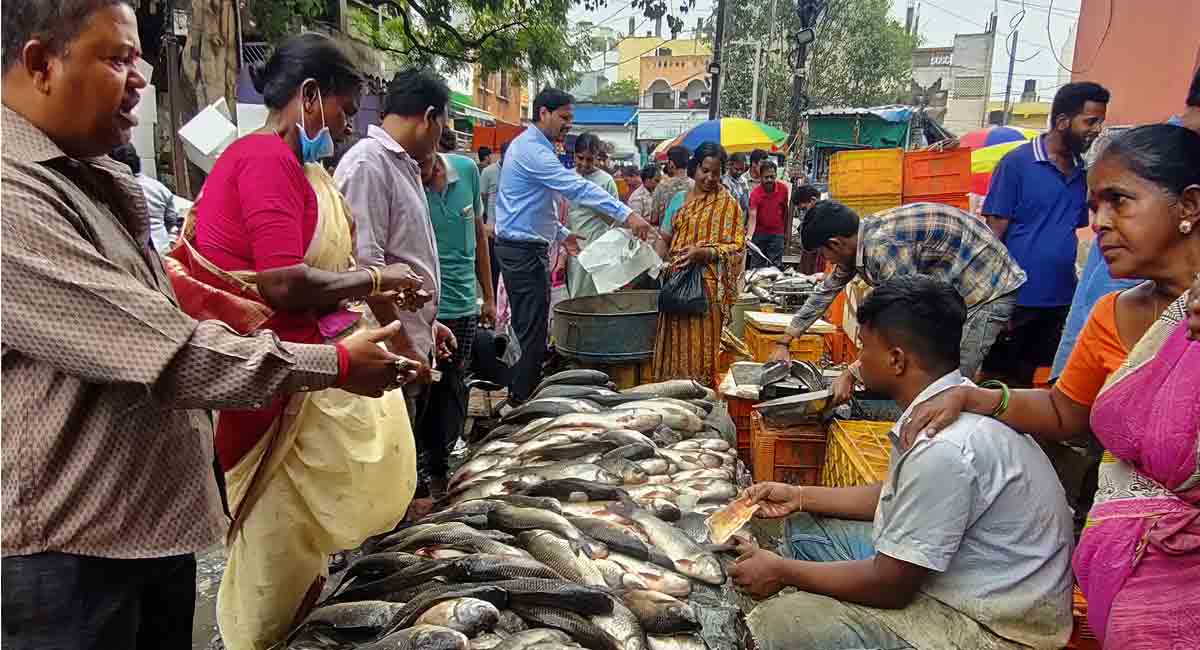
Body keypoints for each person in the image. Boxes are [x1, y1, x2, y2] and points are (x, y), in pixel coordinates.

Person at [1, 7, 413, 645]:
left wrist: (361, 320)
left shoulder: (91, 179)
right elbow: (167, 344)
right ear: (39, 65)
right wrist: (334, 361)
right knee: (270, 567)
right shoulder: (13, 197)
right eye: (116, 59)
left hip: (146, 523)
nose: (139, 79)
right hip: (75, 548)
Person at [901, 124, 1200, 649]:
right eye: (1093, 208)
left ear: (1189, 206)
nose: (1099, 225)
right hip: (1125, 570)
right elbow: (1066, 411)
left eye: (1119, 202)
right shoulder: (1113, 313)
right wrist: (978, 397)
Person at [177, 34, 425, 650]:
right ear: (309, 96)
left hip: (305, 375)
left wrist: (392, 318)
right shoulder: (263, 161)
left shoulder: (305, 171)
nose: (343, 128)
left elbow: (323, 282)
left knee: (303, 552)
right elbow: (283, 281)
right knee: (276, 547)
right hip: (274, 389)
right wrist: (375, 278)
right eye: (341, 111)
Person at [735, 276, 1074, 650]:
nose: (858, 359)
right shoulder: (948, 406)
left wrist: (783, 572)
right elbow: (898, 495)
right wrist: (798, 495)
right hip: (967, 581)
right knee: (806, 528)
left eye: (864, 347)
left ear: (896, 359)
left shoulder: (943, 446)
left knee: (782, 623)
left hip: (994, 629)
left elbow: (891, 586)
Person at [334, 68, 458, 503]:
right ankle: (376, 564)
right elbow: (365, 268)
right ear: (428, 117)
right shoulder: (368, 164)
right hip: (384, 349)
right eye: (443, 123)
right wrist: (404, 341)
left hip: (406, 342)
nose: (442, 134)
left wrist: (429, 323)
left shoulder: (401, 164)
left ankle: (398, 536)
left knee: (398, 466)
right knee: (379, 477)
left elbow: (404, 256)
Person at [493, 87, 652, 403]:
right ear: (543, 114)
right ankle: (520, 402)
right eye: (564, 118)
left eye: (570, 118)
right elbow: (575, 187)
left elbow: (532, 206)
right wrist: (627, 214)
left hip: (529, 248)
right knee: (531, 333)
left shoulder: (538, 148)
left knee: (534, 329)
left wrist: (561, 232)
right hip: (520, 252)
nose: (568, 124)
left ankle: (522, 393)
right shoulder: (532, 151)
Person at [771, 201, 1027, 396]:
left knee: (952, 378)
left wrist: (852, 372)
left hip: (986, 287)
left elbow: (904, 318)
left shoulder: (883, 249)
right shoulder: (858, 240)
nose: (826, 261)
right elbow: (824, 292)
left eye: (823, 253)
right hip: (957, 284)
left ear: (835, 244)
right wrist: (785, 340)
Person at [982, 82, 1110, 386]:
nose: (1097, 130)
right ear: (1063, 121)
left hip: (1060, 300)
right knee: (998, 381)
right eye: (1090, 121)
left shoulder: (1083, 173)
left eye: (1100, 122)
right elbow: (993, 235)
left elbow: (1070, 228)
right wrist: (994, 299)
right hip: (1017, 300)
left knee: (1041, 381)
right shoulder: (1017, 164)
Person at [419, 149, 495, 488]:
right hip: (421, 310)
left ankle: (444, 463)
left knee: (454, 385)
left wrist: (489, 296)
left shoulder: (466, 171)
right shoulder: (405, 180)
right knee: (421, 391)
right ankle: (421, 470)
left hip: (463, 305)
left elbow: (479, 236)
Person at [653, 142, 746, 386]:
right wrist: (656, 266)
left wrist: (704, 252)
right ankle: (671, 393)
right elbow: (664, 238)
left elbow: (737, 247)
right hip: (675, 283)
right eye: (705, 170)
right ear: (695, 168)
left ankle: (700, 394)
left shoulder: (728, 205)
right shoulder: (679, 200)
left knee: (701, 348)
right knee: (674, 344)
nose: (710, 177)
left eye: (716, 172)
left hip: (707, 290)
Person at [566, 132, 621, 298]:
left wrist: (594, 201)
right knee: (575, 298)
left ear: (597, 158)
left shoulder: (606, 181)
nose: (584, 164)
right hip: (572, 249)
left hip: (598, 249)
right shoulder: (566, 178)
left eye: (590, 159)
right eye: (580, 158)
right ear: (574, 155)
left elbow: (614, 220)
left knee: (597, 299)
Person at [109, 143, 180, 254]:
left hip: (134, 253)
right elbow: (172, 222)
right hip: (163, 250)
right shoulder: (159, 188)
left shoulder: (113, 190)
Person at [747, 159, 788, 269]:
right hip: (759, 234)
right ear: (760, 177)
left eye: (772, 176)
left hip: (777, 234)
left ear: (775, 175)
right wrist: (749, 236)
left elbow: (785, 211)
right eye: (766, 177)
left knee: (775, 266)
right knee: (756, 266)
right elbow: (752, 216)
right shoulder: (755, 193)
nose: (769, 180)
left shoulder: (783, 189)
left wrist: (785, 232)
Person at [479, 141, 507, 294]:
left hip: (510, 234)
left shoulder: (517, 172)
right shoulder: (488, 172)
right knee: (494, 273)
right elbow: (481, 199)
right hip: (492, 232)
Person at [651, 144, 693, 227]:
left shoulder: (662, 186)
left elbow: (654, 218)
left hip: (666, 236)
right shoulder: (696, 185)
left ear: (671, 163)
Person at [790, 184, 823, 274]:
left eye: (804, 209)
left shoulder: (825, 217)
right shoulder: (810, 217)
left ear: (813, 200)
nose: (803, 213)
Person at [722, 152, 751, 223]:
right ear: (730, 165)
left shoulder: (744, 180)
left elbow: (747, 204)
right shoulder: (724, 181)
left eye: (742, 169)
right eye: (736, 169)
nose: (739, 172)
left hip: (742, 221)